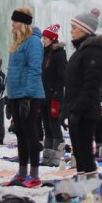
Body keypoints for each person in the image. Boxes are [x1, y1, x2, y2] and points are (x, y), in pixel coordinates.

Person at [64, 8, 102, 178]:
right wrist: (67, 109)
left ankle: (91, 189)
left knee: (85, 152)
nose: (71, 31)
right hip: (76, 109)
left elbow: (91, 85)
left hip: (85, 111)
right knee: (79, 153)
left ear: (85, 29)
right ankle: (83, 187)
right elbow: (72, 84)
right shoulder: (81, 51)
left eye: (74, 27)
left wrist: (77, 109)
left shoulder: (93, 51)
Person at [5, 8, 44, 188]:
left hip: (29, 95)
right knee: (20, 134)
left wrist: (27, 96)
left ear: (23, 24)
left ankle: (34, 174)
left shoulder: (33, 42)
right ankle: (22, 173)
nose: (12, 24)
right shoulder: (17, 43)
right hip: (15, 94)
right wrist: (10, 95)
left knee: (31, 134)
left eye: (15, 21)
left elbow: (35, 69)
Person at [40, 23, 66, 167]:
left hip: (54, 96)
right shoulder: (45, 53)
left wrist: (57, 95)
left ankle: (57, 157)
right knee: (46, 126)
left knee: (54, 125)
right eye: (43, 38)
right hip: (44, 96)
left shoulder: (59, 54)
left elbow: (61, 77)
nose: (43, 40)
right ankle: (47, 156)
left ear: (52, 39)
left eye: (45, 38)